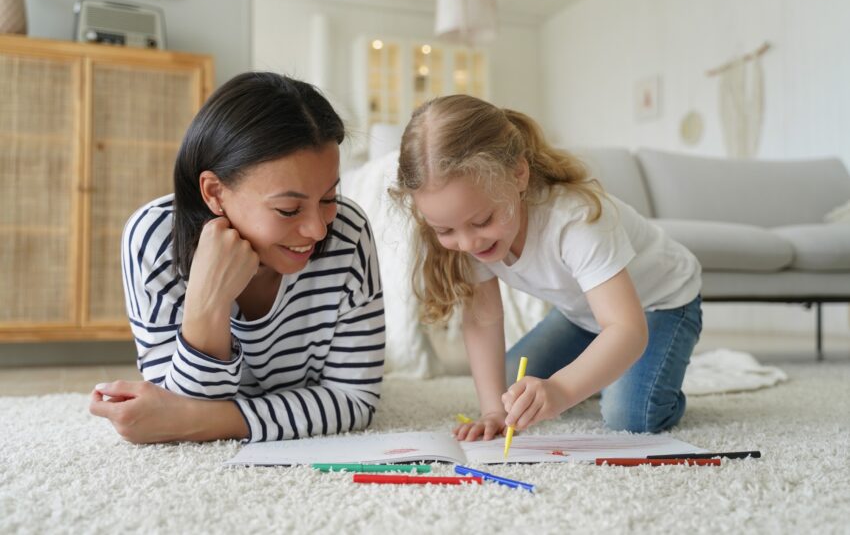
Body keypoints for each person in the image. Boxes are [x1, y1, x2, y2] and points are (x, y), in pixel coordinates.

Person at [90, 72, 385, 444]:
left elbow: (354, 400)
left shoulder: (349, 232)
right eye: (289, 209)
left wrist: (213, 421)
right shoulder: (154, 238)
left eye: (328, 198)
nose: (318, 230)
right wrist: (208, 301)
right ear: (214, 192)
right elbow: (177, 407)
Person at [392, 95, 702, 442]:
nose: (467, 244)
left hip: (659, 304)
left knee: (629, 414)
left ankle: (646, 385)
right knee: (509, 391)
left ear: (519, 175)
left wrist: (562, 390)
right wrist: (493, 410)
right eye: (445, 230)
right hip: (581, 314)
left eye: (482, 221)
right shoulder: (468, 228)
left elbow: (627, 329)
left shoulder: (575, 220)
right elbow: (482, 319)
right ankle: (604, 371)